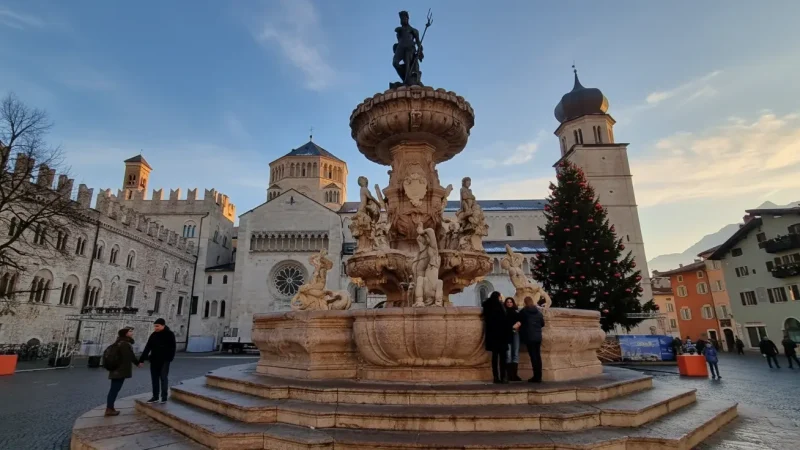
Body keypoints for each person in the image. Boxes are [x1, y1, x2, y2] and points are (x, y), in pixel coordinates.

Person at [138, 318, 177, 403]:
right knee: (154, 379)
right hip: (154, 360)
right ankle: (155, 396)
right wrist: (142, 359)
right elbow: (148, 347)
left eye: (157, 326)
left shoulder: (169, 334)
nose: (156, 328)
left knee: (163, 378)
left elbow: (173, 347)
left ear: (163, 325)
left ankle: (164, 397)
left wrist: (169, 358)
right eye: (155, 326)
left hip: (164, 360)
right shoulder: (153, 335)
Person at [105, 328, 138, 416]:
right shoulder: (125, 344)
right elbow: (129, 356)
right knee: (114, 389)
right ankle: (109, 408)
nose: (132, 333)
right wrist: (138, 363)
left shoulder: (118, 342)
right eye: (130, 331)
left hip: (115, 369)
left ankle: (110, 408)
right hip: (120, 370)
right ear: (125, 334)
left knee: (114, 389)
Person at [482, 291, 511, 383]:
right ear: (498, 297)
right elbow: (505, 320)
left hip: (492, 335)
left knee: (494, 357)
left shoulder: (487, 306)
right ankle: (503, 376)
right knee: (503, 357)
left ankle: (496, 377)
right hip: (501, 334)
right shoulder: (500, 306)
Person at [519, 296, 546, 383]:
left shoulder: (524, 312)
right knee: (538, 356)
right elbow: (542, 323)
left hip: (529, 336)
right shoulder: (538, 312)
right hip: (538, 337)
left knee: (533, 356)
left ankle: (536, 377)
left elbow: (519, 321)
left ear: (525, 303)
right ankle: (539, 376)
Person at [504, 297, 522, 381]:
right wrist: (511, 327)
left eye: (511, 302)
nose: (509, 303)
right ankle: (509, 375)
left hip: (516, 333)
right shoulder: (504, 312)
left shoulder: (516, 311)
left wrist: (519, 323)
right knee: (508, 354)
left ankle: (514, 375)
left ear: (513, 303)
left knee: (515, 353)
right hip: (507, 334)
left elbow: (521, 319)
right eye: (508, 302)